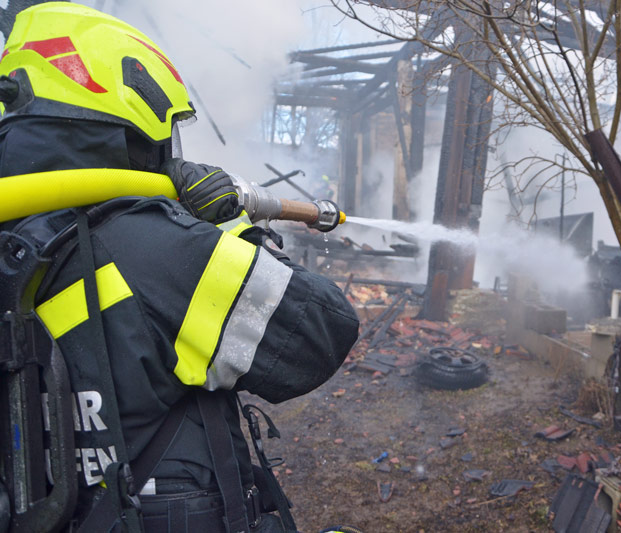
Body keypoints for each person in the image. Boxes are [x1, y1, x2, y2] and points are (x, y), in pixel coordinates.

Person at [0, 3, 359, 532]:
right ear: (135, 113)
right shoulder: (155, 250)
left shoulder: (16, 243)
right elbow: (321, 332)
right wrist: (231, 226)